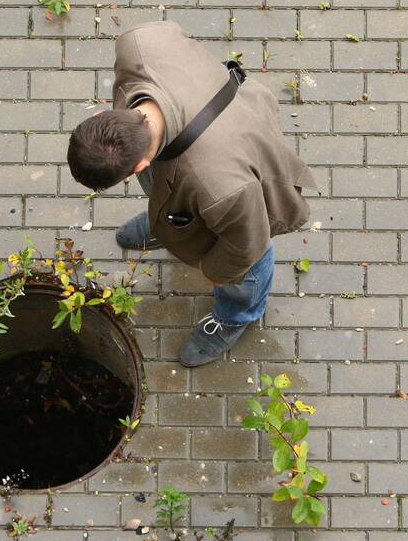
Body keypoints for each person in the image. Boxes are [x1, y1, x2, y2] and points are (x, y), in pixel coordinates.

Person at [66, 21, 318, 367]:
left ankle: (236, 314)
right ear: (100, 115)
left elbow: (248, 242)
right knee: (176, 197)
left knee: (244, 270)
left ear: (138, 167)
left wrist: (215, 271)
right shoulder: (138, 45)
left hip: (235, 163)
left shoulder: (220, 187)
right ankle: (169, 224)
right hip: (196, 147)